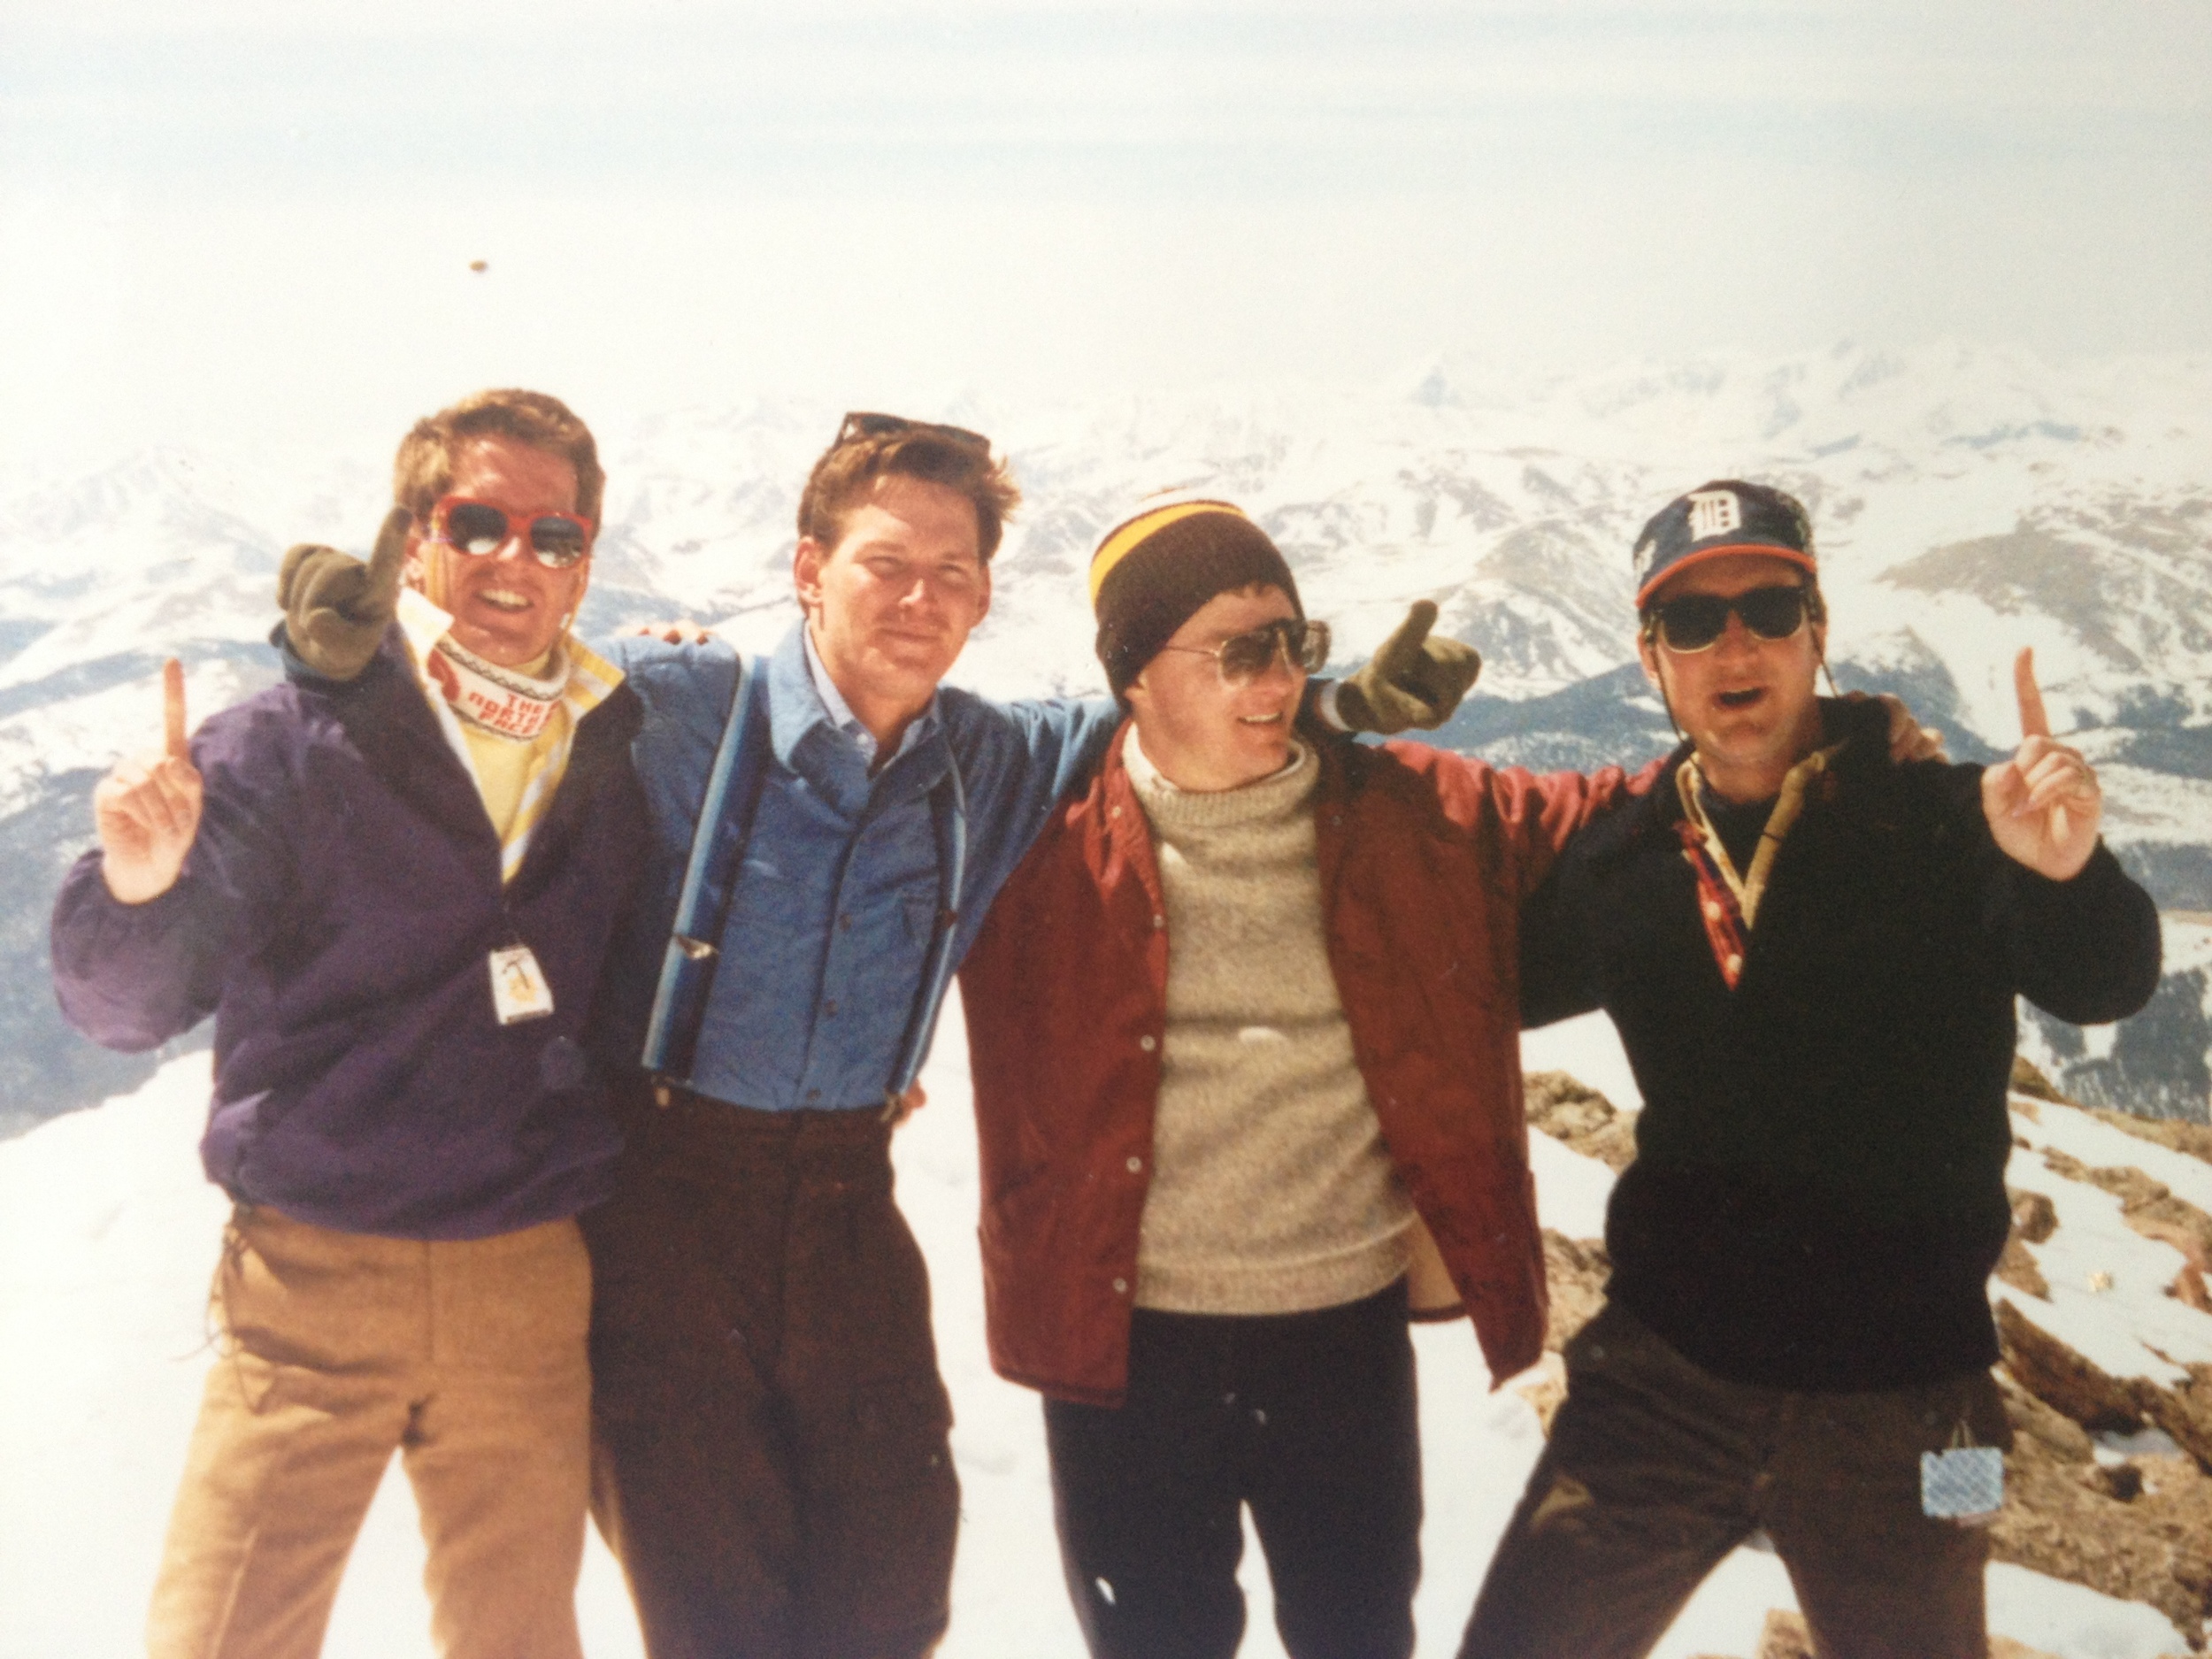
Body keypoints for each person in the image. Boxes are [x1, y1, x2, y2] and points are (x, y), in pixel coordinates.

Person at [276, 412, 1478, 1659]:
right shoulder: (676, 703)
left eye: (953, 574)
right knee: (719, 1612)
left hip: (852, 1204)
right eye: (885, 565)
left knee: (891, 1591)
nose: (920, 599)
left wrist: (1334, 708)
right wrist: (346, 665)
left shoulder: (989, 758)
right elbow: (498, 680)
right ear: (808, 569)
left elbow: (1165, 716)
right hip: (663, 1208)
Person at [1458, 480, 2164, 1659]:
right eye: (1693, 623)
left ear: (1817, 633)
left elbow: (2107, 981)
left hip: (1924, 1411)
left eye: (1770, 609)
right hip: (1658, 1388)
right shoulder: (1626, 861)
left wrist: (2072, 872)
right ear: (1651, 660)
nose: (1734, 645)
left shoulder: (1946, 819)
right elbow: (1466, 990)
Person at [952, 498, 1655, 1659]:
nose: (1277, 678)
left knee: (1358, 1635)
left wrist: (1843, 748)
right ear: (1134, 674)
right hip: (1124, 1346)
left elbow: (1625, 818)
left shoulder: (1413, 814)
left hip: (1341, 1337)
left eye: (1295, 644)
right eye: (1239, 652)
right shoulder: (1037, 842)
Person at [51, 388, 649, 1659]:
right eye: (477, 520)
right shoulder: (293, 742)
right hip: (315, 1282)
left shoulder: (610, 747)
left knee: (520, 1640)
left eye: (552, 537)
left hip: (526, 1280)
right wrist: (138, 885)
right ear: (413, 536)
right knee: (221, 1636)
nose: (512, 559)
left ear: (585, 562)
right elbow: (125, 1006)